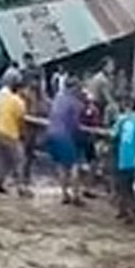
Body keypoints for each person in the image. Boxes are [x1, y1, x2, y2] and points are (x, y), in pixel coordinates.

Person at [46, 77, 84, 205]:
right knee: (73, 165)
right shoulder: (75, 103)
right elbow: (75, 125)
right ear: (73, 88)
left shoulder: (58, 97)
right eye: (78, 88)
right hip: (64, 135)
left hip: (51, 132)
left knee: (61, 165)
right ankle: (76, 195)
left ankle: (64, 194)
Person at [111, 98, 135, 218]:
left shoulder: (122, 119)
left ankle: (122, 209)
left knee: (121, 185)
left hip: (121, 156)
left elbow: (114, 135)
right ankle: (131, 212)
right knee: (132, 187)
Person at [0, 70, 27, 196]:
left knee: (2, 160)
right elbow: (21, 122)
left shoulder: (0, 98)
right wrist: (23, 136)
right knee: (20, 160)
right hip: (11, 134)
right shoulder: (18, 102)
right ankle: (21, 187)